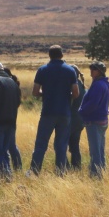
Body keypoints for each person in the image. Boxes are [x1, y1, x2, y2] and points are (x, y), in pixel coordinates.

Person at [28, 45, 80, 176]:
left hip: (48, 112)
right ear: (62, 55)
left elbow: (35, 91)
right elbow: (76, 93)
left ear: (49, 55)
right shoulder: (70, 71)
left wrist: (44, 94)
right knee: (62, 145)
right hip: (65, 113)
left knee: (41, 144)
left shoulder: (42, 70)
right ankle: (60, 172)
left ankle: (34, 171)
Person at [78, 61, 109, 179]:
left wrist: (81, 112)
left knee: (95, 151)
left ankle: (96, 175)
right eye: (91, 68)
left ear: (100, 72)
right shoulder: (103, 84)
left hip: (94, 121)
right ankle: (101, 171)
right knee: (100, 149)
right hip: (101, 120)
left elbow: (93, 104)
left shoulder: (98, 85)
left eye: (94, 69)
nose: (91, 70)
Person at [2, 67, 23, 170]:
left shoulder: (9, 87)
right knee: (11, 145)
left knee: (10, 146)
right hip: (12, 119)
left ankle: (14, 167)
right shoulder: (14, 86)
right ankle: (17, 167)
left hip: (6, 120)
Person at [67, 65, 86, 171]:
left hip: (70, 120)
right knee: (75, 146)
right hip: (79, 120)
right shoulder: (82, 85)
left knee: (59, 145)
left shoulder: (72, 85)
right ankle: (77, 167)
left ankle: (64, 167)